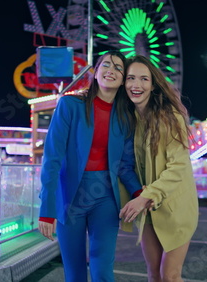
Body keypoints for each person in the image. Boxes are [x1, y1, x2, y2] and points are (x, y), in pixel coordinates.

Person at [38, 50, 142, 282]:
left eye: (118, 68)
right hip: (69, 198)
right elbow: (52, 159)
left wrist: (140, 192)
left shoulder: (126, 116)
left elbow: (124, 166)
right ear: (95, 72)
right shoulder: (69, 105)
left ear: (123, 78)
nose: (111, 71)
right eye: (106, 65)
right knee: (74, 272)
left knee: (103, 270)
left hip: (106, 198)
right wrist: (47, 210)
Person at [119, 55, 199, 282]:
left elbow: (178, 166)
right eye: (131, 78)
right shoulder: (128, 119)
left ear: (153, 84)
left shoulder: (170, 117)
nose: (137, 85)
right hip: (148, 208)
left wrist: (147, 196)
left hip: (176, 206)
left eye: (144, 79)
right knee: (153, 275)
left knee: (170, 275)